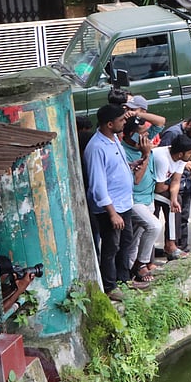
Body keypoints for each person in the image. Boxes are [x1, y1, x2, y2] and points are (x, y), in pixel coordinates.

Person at [84, 104, 137, 293]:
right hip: (111, 208)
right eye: (121, 120)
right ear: (109, 123)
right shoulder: (96, 147)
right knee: (110, 247)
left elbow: (113, 169)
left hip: (125, 203)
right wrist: (112, 214)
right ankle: (110, 286)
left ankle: (125, 280)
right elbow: (98, 185)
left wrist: (130, 166)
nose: (125, 122)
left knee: (125, 243)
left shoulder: (114, 139)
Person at [121, 116, 163, 283]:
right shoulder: (125, 151)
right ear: (131, 135)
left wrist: (138, 112)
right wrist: (146, 155)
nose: (147, 136)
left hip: (148, 197)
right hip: (134, 200)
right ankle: (140, 263)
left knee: (136, 239)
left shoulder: (143, 140)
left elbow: (160, 122)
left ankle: (130, 271)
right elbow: (136, 179)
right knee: (154, 226)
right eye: (142, 133)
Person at [152, 133, 191, 259]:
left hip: (161, 186)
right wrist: (172, 196)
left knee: (176, 200)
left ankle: (172, 244)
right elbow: (159, 187)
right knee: (172, 202)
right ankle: (170, 245)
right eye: (190, 152)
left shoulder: (182, 159)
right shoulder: (163, 158)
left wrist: (173, 198)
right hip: (149, 191)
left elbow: (176, 181)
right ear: (180, 153)